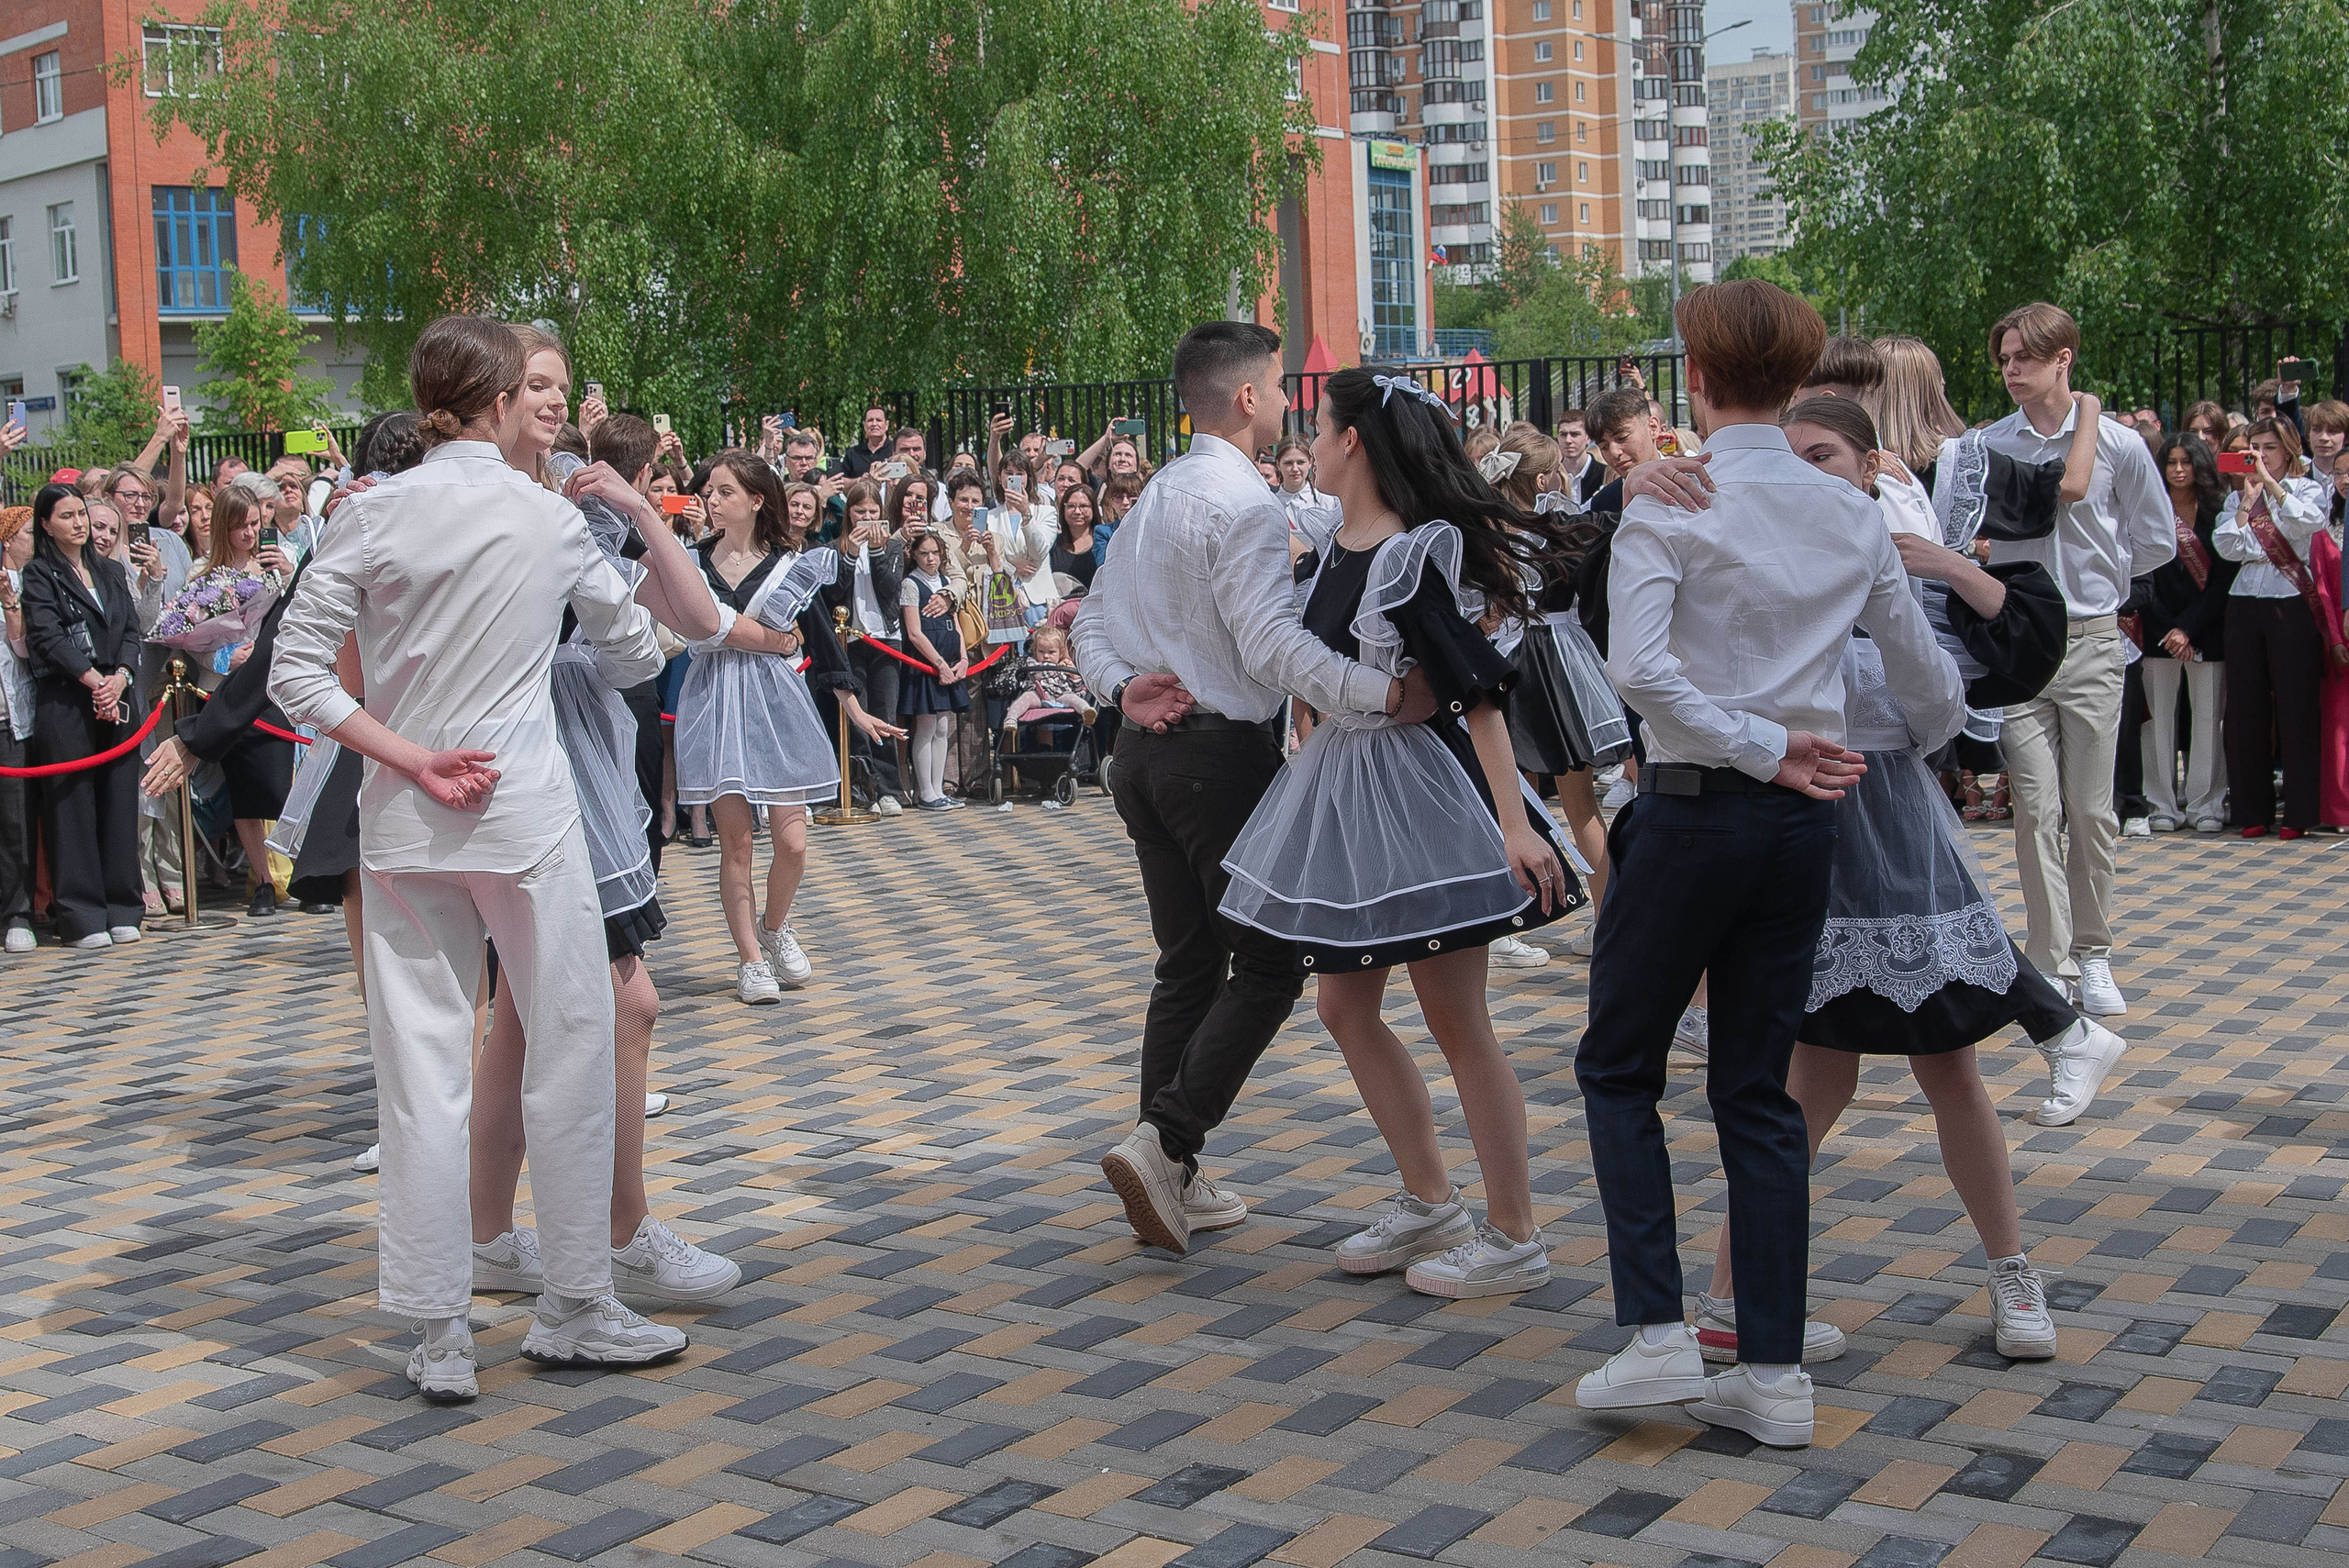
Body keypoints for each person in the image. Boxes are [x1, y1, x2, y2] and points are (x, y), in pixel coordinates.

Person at [1570, 281, 1964, 1451]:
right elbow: (1932, 692)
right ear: (1795, 380)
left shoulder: (1675, 493)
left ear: (1694, 374)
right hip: (1804, 821)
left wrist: (1757, 741)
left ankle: (1656, 1332)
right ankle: (1773, 1369)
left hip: (1701, 808)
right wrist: (1822, 738)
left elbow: (1637, 670)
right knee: (1756, 1088)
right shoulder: (1845, 505)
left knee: (1618, 1063)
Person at [268, 315, 682, 1398]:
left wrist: (405, 753)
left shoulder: (367, 512)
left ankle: (441, 1325)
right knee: (569, 1045)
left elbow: (296, 676)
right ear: (500, 403)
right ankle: (577, 1301)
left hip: (407, 814)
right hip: (523, 814)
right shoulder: (544, 518)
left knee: (419, 1070)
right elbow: (635, 652)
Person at [1694, 395, 2079, 1369]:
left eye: (1824, 453)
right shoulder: (1761, 563)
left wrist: (1922, 573)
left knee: (1950, 1059)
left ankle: (2012, 1271)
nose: (1807, 472)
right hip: (1798, 834)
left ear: (1870, 466)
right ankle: (1732, 1293)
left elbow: (1954, 698)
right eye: (1793, 458)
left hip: (1898, 834)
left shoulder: (1901, 559)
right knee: (1807, 1078)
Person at [1072, 320, 1440, 1258]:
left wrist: (1122, 686)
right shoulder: (1235, 503)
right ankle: (1166, 1141)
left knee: (1189, 961)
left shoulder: (1157, 492)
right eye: (1280, 388)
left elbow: (1090, 626)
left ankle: (1172, 1167)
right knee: (1270, 962)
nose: (1287, 404)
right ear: (1245, 397)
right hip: (1216, 755)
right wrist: (1379, 693)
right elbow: (1271, 641)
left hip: (1145, 755)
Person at [1220, 367, 1580, 1299]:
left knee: (1457, 1017)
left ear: (1352, 443)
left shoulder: (1413, 552)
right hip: (1348, 786)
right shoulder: (1334, 543)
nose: (1309, 435)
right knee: (1343, 1006)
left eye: (1323, 424)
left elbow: (1476, 688)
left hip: (1422, 794)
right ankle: (1431, 1196)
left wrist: (1513, 824)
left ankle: (1514, 1232)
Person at [466, 326, 740, 1307]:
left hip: (576, 758)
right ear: (487, 395)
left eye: (560, 385)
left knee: (516, 1024)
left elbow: (698, 616)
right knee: (627, 1002)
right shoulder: (469, 499)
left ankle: (488, 1233)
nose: (552, 402)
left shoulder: (573, 496)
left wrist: (636, 506)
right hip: (533, 771)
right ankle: (619, 1234)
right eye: (534, 384)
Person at [1971, 303, 2170, 1018]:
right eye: (2004, 358)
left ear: (2064, 358)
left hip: (2089, 636)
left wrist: (2103, 578)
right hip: (2018, 638)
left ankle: (2095, 952)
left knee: (2090, 811)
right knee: (2035, 807)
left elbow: (2154, 541)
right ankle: (2049, 960)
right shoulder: (1990, 442)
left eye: (2025, 355)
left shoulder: (2116, 443)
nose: (2012, 369)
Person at [674, 451, 898, 1003]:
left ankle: (774, 928)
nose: (712, 500)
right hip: (713, 699)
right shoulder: (688, 559)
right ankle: (750, 958)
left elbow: (821, 639)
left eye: (725, 492)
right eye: (710, 490)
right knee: (737, 842)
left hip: (775, 702)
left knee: (793, 843)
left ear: (755, 501)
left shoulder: (791, 563)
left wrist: (854, 708)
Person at [1481, 424, 1627, 957]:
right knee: (1580, 803)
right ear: (1544, 477)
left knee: (1500, 798)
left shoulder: (1486, 532)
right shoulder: (1570, 526)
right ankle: (1611, 922)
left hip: (1504, 660)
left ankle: (1500, 916)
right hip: (1560, 662)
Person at [20, 485, 150, 950]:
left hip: (118, 699)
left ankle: (123, 905)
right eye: (67, 516)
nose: (78, 523)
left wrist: (121, 677)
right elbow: (48, 638)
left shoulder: (111, 571)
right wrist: (94, 681)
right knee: (71, 807)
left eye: (82, 514)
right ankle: (81, 915)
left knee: (118, 803)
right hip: (68, 703)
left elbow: (131, 630)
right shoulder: (38, 575)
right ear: (46, 524)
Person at [169, 480, 298, 915]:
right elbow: (189, 638)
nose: (248, 534)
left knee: (280, 785)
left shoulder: (278, 565)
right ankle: (263, 880)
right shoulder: (202, 573)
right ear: (223, 527)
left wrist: (287, 572)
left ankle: (298, 873)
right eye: (240, 526)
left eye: (255, 524)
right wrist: (228, 653)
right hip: (225, 690)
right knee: (244, 788)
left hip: (272, 690)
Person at [2215, 417, 2339, 838]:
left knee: (2295, 705)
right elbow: (2229, 546)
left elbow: (2310, 522)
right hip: (2246, 599)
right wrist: (2248, 502)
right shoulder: (2238, 497)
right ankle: (2252, 809)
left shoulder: (2306, 489)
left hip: (2291, 599)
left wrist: (2271, 484)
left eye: (2268, 447)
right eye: (2255, 448)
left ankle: (2300, 813)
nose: (2260, 455)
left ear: (2286, 449)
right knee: (2246, 708)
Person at [2138, 435, 2235, 832]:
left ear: (2200, 465)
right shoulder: (2148, 512)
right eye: (2171, 462)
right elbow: (2141, 574)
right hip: (2159, 631)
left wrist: (2189, 628)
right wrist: (2170, 629)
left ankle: (2206, 803)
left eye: (2186, 462)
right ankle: (2161, 803)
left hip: (2205, 630)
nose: (2179, 470)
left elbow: (2222, 582)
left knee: (2209, 718)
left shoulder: (2217, 512)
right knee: (2156, 719)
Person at [821, 478, 910, 814]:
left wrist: (875, 550)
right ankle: (863, 786)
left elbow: (890, 588)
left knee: (885, 712)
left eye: (874, 512)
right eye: (861, 512)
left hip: (885, 639)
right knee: (858, 715)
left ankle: (889, 788)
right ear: (850, 514)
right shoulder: (835, 548)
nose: (868, 518)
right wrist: (853, 552)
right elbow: (834, 590)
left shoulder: (893, 548)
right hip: (850, 638)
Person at [897, 529, 972, 809]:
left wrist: (963, 659)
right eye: (923, 553)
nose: (930, 559)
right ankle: (925, 790)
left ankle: (938, 788)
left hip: (951, 660)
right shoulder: (911, 584)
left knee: (943, 726)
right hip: (927, 664)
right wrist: (938, 663)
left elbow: (956, 623)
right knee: (926, 727)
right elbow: (914, 632)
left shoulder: (946, 583)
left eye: (935, 553)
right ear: (914, 555)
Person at [0, 507, 38, 953]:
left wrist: (12, 604)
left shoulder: (37, 583)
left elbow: (27, 651)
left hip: (14, 716)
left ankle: (18, 912)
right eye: (27, 533)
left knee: (16, 823)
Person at [841, 406, 896, 479]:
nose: (874, 424)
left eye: (878, 420)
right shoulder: (853, 453)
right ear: (864, 425)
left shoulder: (895, 450)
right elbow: (842, 482)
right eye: (870, 420)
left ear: (886, 425)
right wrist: (860, 481)